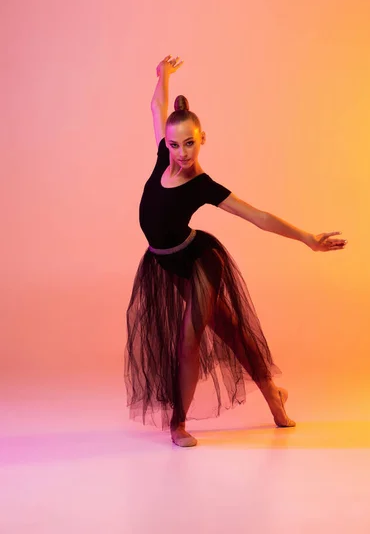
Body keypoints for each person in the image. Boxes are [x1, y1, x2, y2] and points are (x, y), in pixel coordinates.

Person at [125, 55, 347, 448]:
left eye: (190, 143)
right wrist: (164, 76)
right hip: (169, 261)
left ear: (202, 139)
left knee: (189, 339)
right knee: (232, 333)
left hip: (200, 262)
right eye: (175, 144)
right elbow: (156, 107)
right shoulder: (164, 154)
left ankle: (179, 424)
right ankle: (276, 399)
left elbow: (259, 217)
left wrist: (309, 239)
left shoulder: (203, 185)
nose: (181, 152)